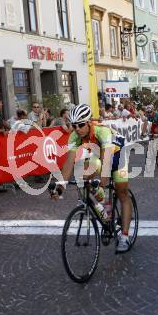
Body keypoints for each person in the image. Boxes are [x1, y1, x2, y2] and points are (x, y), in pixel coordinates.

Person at [51, 104, 132, 253]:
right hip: (98, 154)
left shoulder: (102, 132)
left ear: (89, 122)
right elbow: (69, 163)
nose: (77, 129)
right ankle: (104, 208)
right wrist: (60, 187)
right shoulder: (74, 136)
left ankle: (125, 236)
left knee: (122, 192)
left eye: (81, 125)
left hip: (116, 153)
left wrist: (102, 181)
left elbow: (106, 161)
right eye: (73, 125)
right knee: (85, 172)